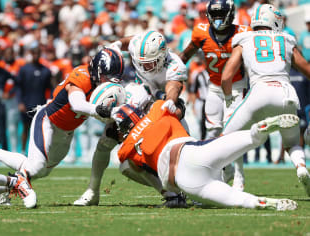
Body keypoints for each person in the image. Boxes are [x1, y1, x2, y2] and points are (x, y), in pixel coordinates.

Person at [0, 48, 125, 208]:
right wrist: (101, 110)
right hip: (48, 121)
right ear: (98, 70)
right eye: (107, 76)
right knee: (37, 166)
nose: (109, 82)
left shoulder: (100, 79)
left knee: (40, 170)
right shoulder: (82, 75)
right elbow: (77, 104)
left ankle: (0, 169)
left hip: (66, 131)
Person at [115, 100, 299, 211]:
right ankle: (259, 131)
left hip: (184, 181)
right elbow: (173, 102)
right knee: (251, 139)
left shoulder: (125, 149)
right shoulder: (157, 109)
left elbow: (125, 164)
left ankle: (259, 202)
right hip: (191, 151)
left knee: (238, 200)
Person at [74, 30, 188, 207]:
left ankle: (181, 191)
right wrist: (116, 45)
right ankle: (92, 190)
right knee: (108, 140)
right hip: (140, 93)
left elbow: (173, 87)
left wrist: (170, 102)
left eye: (149, 64)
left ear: (162, 56)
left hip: (161, 105)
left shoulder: (175, 65)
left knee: (168, 156)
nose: (144, 67)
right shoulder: (139, 46)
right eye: (140, 62)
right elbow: (128, 41)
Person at [221, 4, 310, 196]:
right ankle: (301, 166)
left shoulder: (245, 38)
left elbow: (226, 77)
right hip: (285, 95)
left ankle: (238, 181)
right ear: (275, 20)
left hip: (258, 94)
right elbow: (306, 69)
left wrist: (229, 99)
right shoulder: (286, 39)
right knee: (292, 143)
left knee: (228, 137)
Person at [179, 0, 251, 189]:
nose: (218, 19)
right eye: (215, 15)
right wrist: (175, 73)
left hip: (237, 86)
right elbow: (185, 56)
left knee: (233, 130)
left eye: (221, 15)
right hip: (214, 87)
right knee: (212, 131)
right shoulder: (200, 32)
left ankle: (239, 176)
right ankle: (216, 173)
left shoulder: (243, 33)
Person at [16, 47, 52, 153]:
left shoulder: (46, 70)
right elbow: (18, 87)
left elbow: (49, 88)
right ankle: (22, 150)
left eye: (38, 53)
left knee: (39, 129)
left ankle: (37, 151)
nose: (36, 55)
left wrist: (48, 102)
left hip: (40, 103)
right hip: (26, 103)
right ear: (31, 54)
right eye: (34, 53)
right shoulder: (24, 69)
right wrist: (20, 102)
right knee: (26, 128)